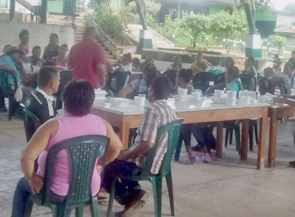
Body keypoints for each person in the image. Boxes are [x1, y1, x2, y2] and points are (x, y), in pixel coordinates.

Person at [11, 79, 122, 217]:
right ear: (91, 103)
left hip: (55, 192)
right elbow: (117, 148)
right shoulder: (102, 124)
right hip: (88, 189)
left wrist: (32, 178)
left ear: (64, 100)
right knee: (69, 184)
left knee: (23, 185)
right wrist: (100, 164)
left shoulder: (52, 126)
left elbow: (26, 157)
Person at [102, 77, 178, 216]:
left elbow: (147, 144)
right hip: (161, 162)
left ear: (152, 91)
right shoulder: (170, 109)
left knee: (104, 166)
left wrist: (125, 154)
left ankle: (131, 197)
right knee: (119, 159)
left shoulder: (152, 109)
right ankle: (136, 195)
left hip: (145, 164)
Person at [24, 66, 60, 139]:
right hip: (43, 140)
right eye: (58, 81)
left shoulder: (32, 95)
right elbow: (50, 127)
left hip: (33, 138)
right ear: (52, 84)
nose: (59, 83)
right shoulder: (45, 103)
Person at [0, 47, 24, 120]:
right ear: (12, 53)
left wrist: (21, 63)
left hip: (18, 83)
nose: (17, 55)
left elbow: (23, 72)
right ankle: (19, 110)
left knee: (28, 88)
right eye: (16, 54)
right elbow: (0, 66)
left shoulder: (14, 61)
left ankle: (16, 110)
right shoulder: (6, 58)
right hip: (10, 83)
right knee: (30, 92)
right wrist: (11, 69)